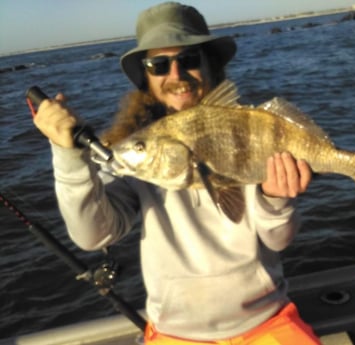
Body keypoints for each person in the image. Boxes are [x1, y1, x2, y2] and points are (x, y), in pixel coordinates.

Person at [33, 2, 322, 344]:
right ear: (146, 76)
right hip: (176, 334)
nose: (176, 75)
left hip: (266, 321)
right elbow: (92, 236)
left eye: (188, 60)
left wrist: (275, 199)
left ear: (209, 64)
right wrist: (68, 157)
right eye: (158, 64)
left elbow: (277, 240)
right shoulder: (133, 154)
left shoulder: (247, 129)